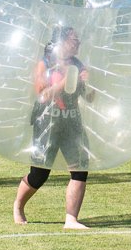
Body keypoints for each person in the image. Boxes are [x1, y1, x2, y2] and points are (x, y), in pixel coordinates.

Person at [14, 25, 93, 229]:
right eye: (74, 40)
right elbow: (43, 94)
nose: (78, 43)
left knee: (80, 169)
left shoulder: (78, 64)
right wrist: (67, 80)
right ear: (63, 42)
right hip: (47, 122)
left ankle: (71, 219)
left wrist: (87, 85)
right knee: (39, 174)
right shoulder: (45, 63)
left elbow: (90, 98)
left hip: (72, 122)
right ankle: (18, 205)